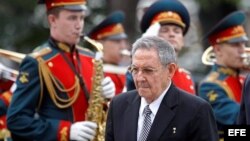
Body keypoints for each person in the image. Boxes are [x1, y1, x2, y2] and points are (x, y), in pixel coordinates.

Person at [6, 0, 116, 140]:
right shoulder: (37, 62)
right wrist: (65, 131)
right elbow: (16, 120)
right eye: (72, 18)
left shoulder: (90, 58)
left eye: (81, 18)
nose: (79, 25)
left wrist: (107, 98)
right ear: (52, 20)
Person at [105, 36, 219, 141]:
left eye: (148, 70)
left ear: (170, 70)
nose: (139, 78)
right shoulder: (118, 105)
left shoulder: (196, 110)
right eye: (134, 69)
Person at [126, 0, 196, 94]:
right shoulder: (144, 73)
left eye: (176, 31)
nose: (171, 34)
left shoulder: (185, 76)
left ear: (182, 40)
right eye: (164, 30)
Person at [198, 11, 249, 140]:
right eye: (236, 45)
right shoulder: (209, 86)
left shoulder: (243, 79)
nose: (242, 49)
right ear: (218, 50)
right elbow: (239, 121)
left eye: (244, 44)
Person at [88, 11, 129, 95]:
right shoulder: (92, 71)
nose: (123, 46)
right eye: (117, 41)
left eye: (124, 41)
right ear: (100, 43)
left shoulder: (126, 70)